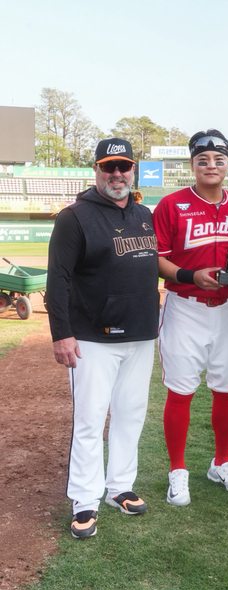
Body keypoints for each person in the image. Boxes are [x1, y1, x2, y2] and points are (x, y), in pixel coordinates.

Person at [46, 137, 159, 539]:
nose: (116, 174)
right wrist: (62, 334)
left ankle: (120, 487)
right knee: (91, 420)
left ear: (133, 171)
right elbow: (58, 279)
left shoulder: (144, 214)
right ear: (96, 170)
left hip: (141, 334)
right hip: (93, 337)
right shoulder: (74, 217)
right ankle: (84, 499)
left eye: (123, 166)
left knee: (131, 413)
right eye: (109, 167)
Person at [153, 129, 228, 506]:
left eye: (218, 160)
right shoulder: (172, 205)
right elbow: (157, 260)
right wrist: (190, 275)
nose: (211, 165)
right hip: (185, 306)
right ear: (192, 165)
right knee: (181, 390)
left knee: (227, 387)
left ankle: (222, 463)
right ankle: (177, 470)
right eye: (203, 160)